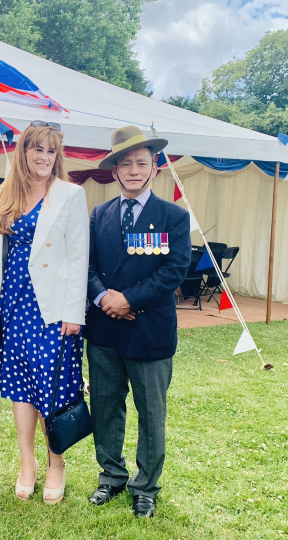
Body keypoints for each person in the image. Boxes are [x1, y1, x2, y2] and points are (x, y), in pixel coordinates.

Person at [86, 125, 191, 518]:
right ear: (113, 171)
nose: (133, 170)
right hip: (105, 331)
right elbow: (88, 266)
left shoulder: (174, 217)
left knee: (151, 414)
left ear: (155, 168)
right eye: (125, 163)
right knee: (106, 407)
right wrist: (103, 297)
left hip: (150, 332)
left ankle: (146, 486)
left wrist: (128, 299)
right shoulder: (99, 214)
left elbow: (174, 271)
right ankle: (111, 476)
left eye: (141, 163)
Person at [0, 122, 89, 504]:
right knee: (21, 386)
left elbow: (79, 255)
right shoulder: (8, 191)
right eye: (37, 149)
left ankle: (56, 463)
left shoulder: (71, 194)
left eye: (50, 151)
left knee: (52, 387)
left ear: (57, 155)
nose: (44, 158)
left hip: (53, 307)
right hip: (15, 301)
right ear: (24, 152)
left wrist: (74, 312)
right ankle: (26, 462)